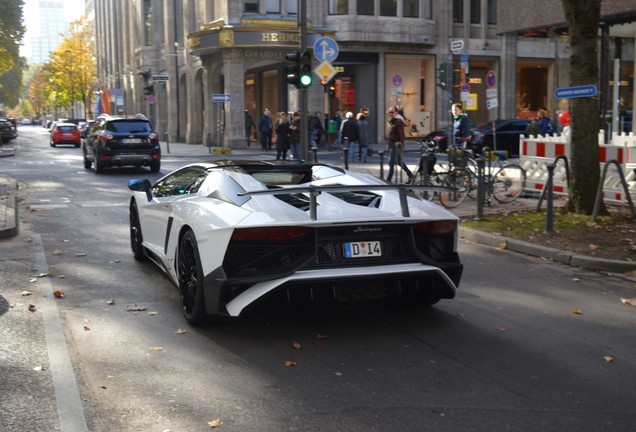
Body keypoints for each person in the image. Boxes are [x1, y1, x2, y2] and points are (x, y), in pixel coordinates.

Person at [386, 107, 413, 183]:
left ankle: (389, 179)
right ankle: (410, 175)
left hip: (396, 144)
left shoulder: (398, 121)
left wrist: (401, 145)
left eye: (392, 112)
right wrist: (388, 146)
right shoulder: (392, 122)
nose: (391, 114)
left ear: (396, 112)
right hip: (392, 144)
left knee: (391, 162)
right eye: (389, 112)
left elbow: (401, 135)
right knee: (398, 161)